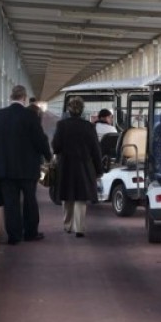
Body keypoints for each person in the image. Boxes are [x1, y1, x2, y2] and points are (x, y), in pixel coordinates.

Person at [0, 85, 52, 244]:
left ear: (10, 97)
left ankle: (14, 236)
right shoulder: (31, 116)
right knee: (30, 200)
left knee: (10, 202)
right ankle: (30, 232)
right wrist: (48, 156)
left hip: (5, 167)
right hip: (28, 168)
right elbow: (40, 140)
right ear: (24, 98)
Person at [51, 96, 103, 238]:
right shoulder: (89, 127)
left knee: (67, 195)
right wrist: (99, 169)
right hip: (83, 165)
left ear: (68, 110)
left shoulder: (61, 125)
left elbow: (55, 147)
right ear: (82, 110)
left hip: (66, 165)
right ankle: (79, 228)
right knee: (81, 197)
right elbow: (96, 150)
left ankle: (67, 225)